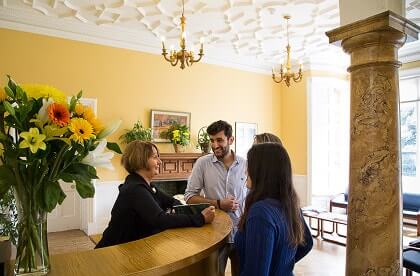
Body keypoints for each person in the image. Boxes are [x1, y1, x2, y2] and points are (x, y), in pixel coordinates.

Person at [95, 140, 215, 249]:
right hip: (113, 251)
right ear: (140, 160)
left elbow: (172, 201)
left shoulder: (146, 185)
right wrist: (200, 218)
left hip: (132, 248)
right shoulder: (135, 189)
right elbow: (160, 220)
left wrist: (178, 210)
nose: (160, 161)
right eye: (155, 157)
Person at [235, 143, 313, 276]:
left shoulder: (260, 212)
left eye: (249, 166)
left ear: (262, 171)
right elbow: (306, 244)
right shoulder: (290, 203)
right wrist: (281, 266)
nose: (245, 171)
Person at [184, 120, 247, 276]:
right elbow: (189, 197)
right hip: (214, 236)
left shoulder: (246, 164)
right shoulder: (202, 164)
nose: (214, 145)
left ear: (231, 140)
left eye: (219, 140)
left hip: (242, 234)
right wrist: (218, 203)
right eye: (212, 140)